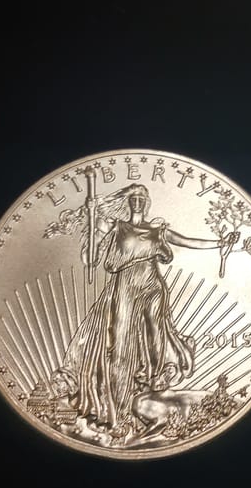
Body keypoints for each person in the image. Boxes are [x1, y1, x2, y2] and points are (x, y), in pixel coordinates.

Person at [47, 184, 237, 431]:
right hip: (124, 288)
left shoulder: (158, 230)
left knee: (156, 333)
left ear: (146, 203)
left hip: (152, 285)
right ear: (129, 202)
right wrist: (92, 218)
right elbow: (91, 258)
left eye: (141, 198)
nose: (137, 201)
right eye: (134, 198)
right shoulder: (117, 227)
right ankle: (116, 404)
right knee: (119, 341)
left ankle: (154, 379)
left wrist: (220, 243)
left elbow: (187, 241)